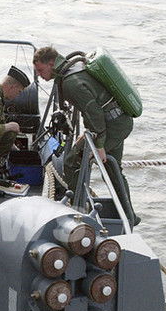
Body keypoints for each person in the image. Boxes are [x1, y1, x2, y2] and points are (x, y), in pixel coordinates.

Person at [32, 46, 134, 202]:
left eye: (40, 70)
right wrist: (88, 133)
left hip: (110, 126)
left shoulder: (70, 83)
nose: (38, 75)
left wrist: (98, 145)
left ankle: (78, 208)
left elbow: (95, 113)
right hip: (120, 121)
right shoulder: (74, 67)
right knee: (112, 170)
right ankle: (129, 216)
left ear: (51, 64)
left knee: (72, 163)